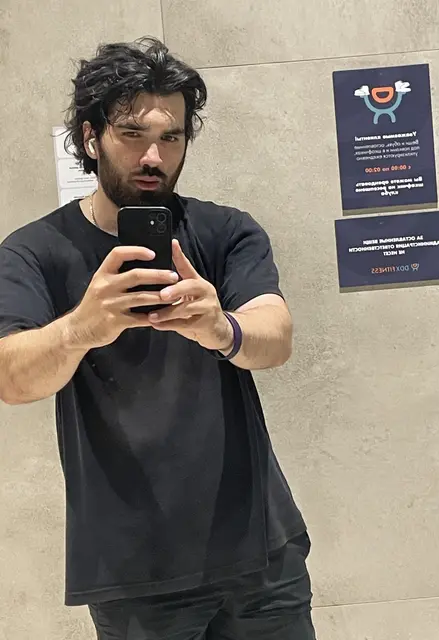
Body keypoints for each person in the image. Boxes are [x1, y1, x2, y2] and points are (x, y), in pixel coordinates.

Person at [0, 37, 316, 640]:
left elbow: (275, 336)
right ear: (90, 138)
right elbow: (10, 378)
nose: (153, 156)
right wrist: (81, 328)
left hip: (261, 553)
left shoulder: (226, 231)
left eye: (171, 137)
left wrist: (223, 328)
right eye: (131, 134)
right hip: (134, 575)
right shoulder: (34, 252)